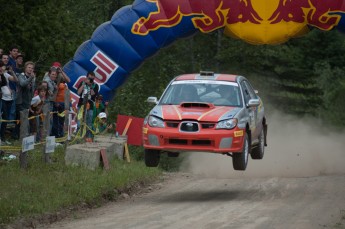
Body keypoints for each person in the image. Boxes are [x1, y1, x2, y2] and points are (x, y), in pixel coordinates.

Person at [14, 61, 36, 140]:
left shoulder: (32, 78)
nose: (30, 69)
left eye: (32, 68)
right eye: (29, 67)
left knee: (24, 120)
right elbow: (22, 84)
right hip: (20, 102)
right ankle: (18, 136)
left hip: (27, 102)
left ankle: (19, 136)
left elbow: (32, 90)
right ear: (25, 68)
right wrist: (30, 78)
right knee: (20, 120)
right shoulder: (21, 76)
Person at [77, 71, 99, 139]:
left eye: (92, 79)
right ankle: (78, 138)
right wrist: (84, 84)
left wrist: (90, 86)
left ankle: (88, 138)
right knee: (79, 123)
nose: (90, 80)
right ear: (86, 77)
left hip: (90, 106)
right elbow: (78, 93)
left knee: (89, 123)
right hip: (81, 105)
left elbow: (93, 94)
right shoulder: (82, 83)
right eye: (89, 78)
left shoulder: (95, 85)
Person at [0, 63, 18, 145]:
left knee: (6, 119)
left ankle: (2, 137)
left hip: (9, 99)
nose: (2, 68)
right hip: (2, 99)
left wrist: (12, 72)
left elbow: (15, 80)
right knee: (3, 118)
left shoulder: (5, 74)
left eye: (2, 67)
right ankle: (1, 137)